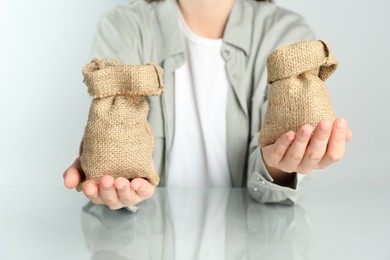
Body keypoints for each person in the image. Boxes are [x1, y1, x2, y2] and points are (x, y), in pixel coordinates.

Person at [63, 0, 352, 210]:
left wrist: (279, 168)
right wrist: (107, 170)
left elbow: (275, 194)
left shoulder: (286, 31)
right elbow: (110, 134)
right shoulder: (123, 27)